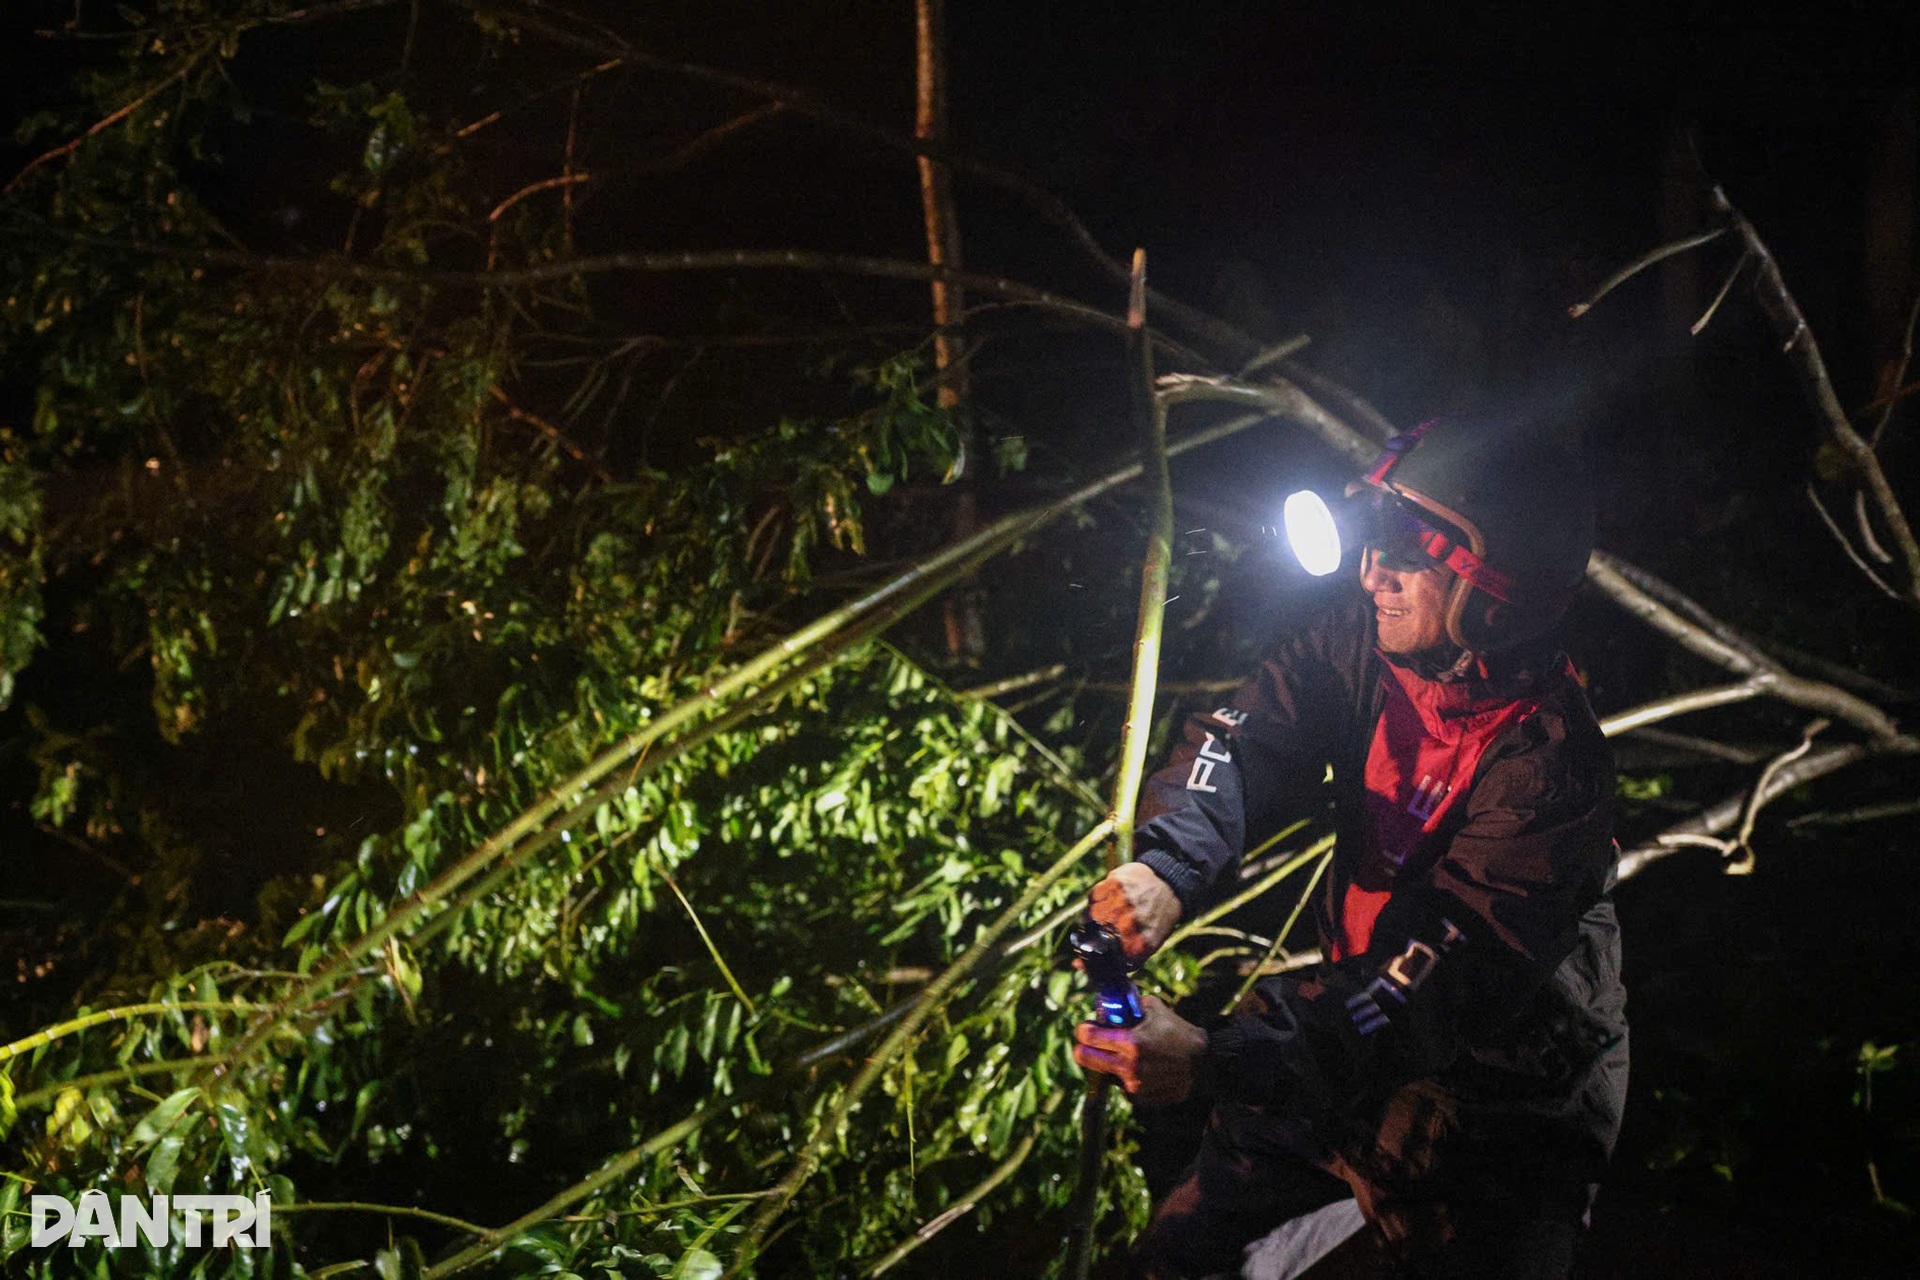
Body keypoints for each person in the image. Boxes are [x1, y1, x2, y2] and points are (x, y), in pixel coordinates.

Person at [1072, 416, 1628, 1279]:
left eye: (1409, 557)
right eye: (1374, 542)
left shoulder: (1552, 775)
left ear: (1495, 592)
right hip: (1342, 1058)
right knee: (1172, 1261)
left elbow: (1425, 984)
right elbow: (1247, 740)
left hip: (1496, 1113)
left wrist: (1218, 1059)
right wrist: (1169, 867)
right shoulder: (1358, 646)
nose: (1373, 574)